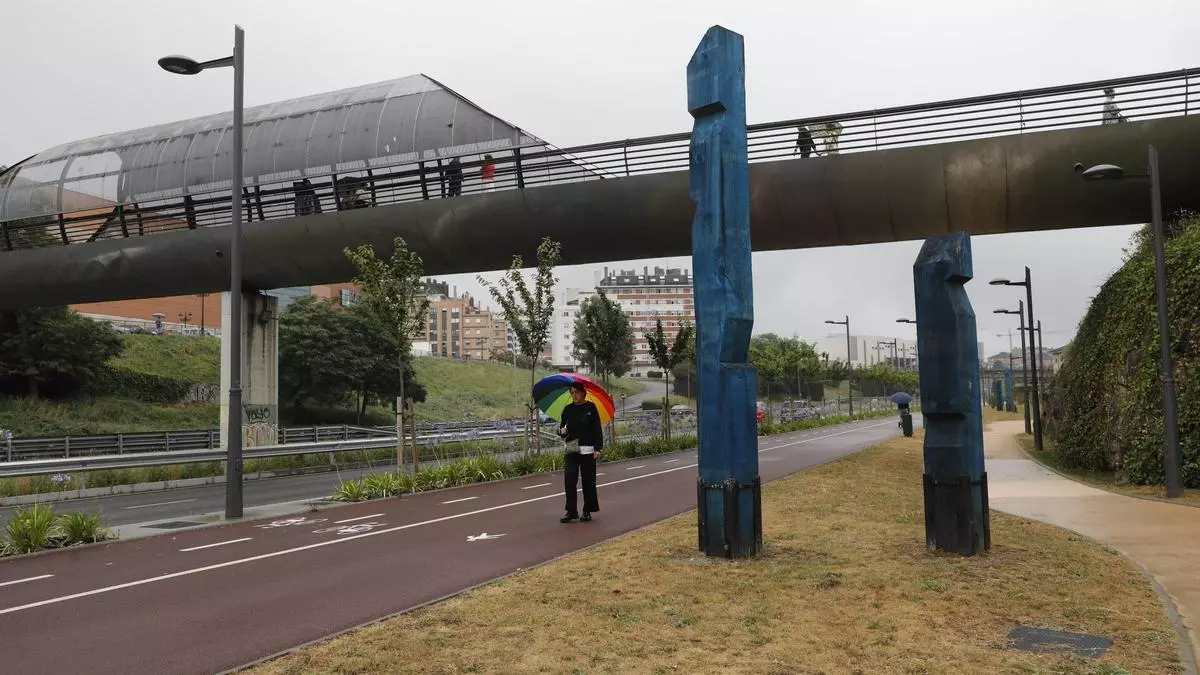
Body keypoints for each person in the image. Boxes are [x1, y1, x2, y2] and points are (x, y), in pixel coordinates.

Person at [557, 381, 603, 523]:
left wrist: (597, 448)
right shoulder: (567, 410)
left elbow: (597, 429)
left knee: (588, 481)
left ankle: (587, 510)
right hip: (571, 448)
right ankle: (571, 511)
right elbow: (562, 430)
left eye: (576, 392)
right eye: (572, 393)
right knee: (569, 481)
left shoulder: (591, 407)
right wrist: (562, 432)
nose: (574, 395)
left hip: (588, 449)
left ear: (583, 393)